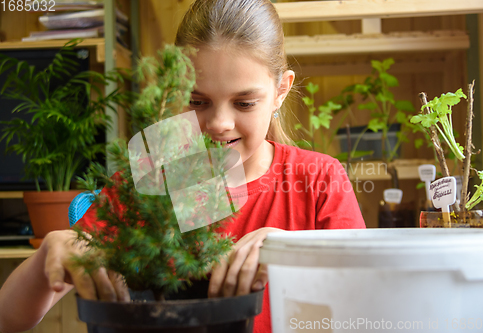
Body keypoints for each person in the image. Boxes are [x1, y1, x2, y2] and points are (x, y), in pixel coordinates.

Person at [0, 0, 365, 332]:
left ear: (280, 91)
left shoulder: (319, 179)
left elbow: (368, 304)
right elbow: (8, 318)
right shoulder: (149, 182)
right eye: (197, 100)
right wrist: (50, 253)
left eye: (244, 103)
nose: (219, 123)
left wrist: (294, 250)